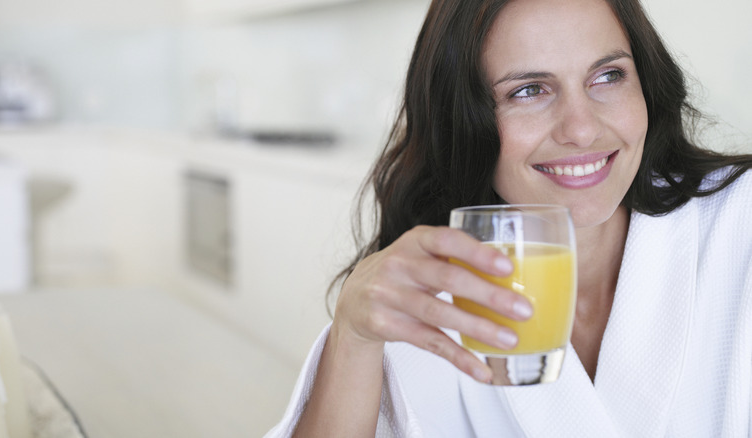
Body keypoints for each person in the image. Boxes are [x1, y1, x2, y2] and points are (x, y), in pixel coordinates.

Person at [267, 0, 752, 436]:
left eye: (608, 76)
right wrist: (352, 339)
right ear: (460, 118)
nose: (582, 130)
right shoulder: (419, 300)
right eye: (529, 90)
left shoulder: (739, 223)